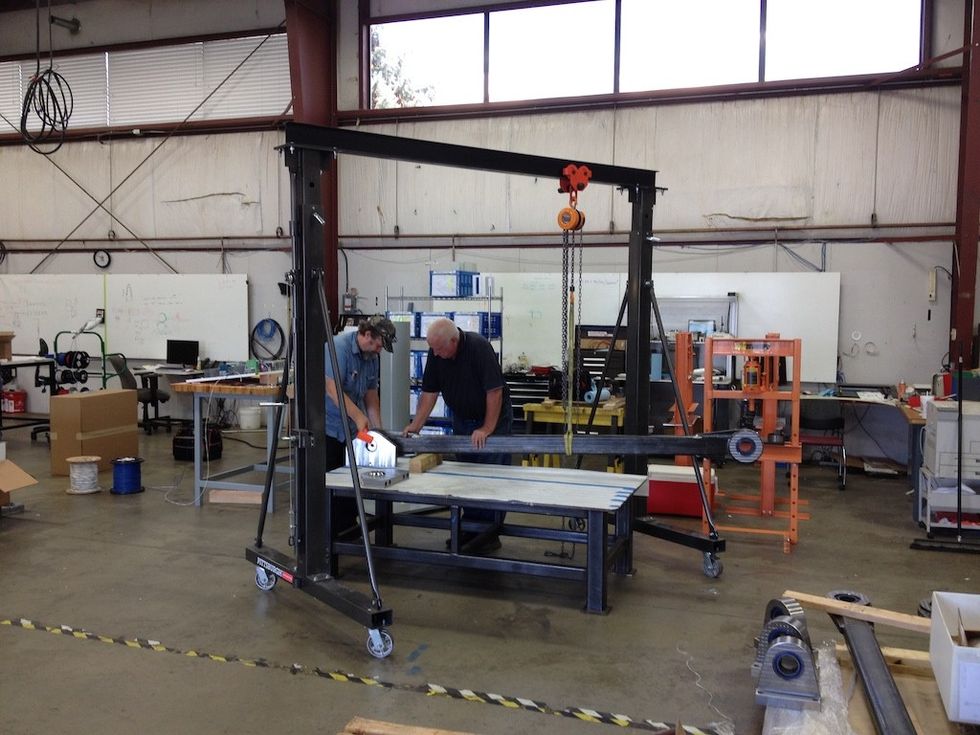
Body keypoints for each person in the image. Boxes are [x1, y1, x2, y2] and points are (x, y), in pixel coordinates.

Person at [403, 317, 513, 552]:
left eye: (440, 349)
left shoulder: (479, 348)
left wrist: (486, 428)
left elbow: (494, 392)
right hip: (462, 420)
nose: (436, 353)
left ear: (454, 341)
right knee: (467, 476)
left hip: (492, 419)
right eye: (433, 348)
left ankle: (488, 534)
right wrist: (416, 425)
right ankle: (470, 529)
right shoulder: (437, 351)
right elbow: (430, 392)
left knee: (490, 477)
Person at [325, 314, 397, 539]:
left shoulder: (371, 358)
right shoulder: (338, 348)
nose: (379, 351)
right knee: (329, 483)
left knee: (350, 481)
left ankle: (348, 531)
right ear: (366, 335)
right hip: (326, 425)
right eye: (377, 345)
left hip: (350, 428)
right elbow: (332, 389)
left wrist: (379, 431)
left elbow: (370, 394)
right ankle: (328, 537)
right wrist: (358, 417)